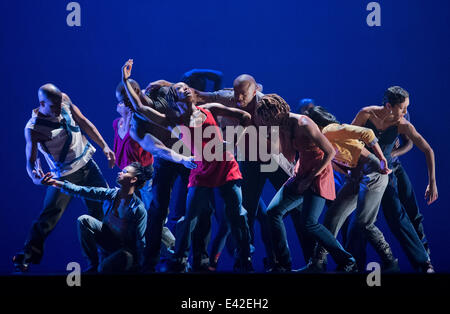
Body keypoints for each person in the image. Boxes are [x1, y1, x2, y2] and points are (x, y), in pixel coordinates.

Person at [121, 59, 253, 272]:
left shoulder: (208, 107)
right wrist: (125, 79)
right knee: (182, 215)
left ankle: (239, 258)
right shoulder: (171, 120)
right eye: (180, 88)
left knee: (234, 214)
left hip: (223, 166)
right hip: (194, 168)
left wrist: (235, 143)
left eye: (186, 87)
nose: (185, 88)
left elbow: (244, 117)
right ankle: (175, 260)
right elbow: (141, 108)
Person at [13, 84, 114, 272]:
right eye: (53, 107)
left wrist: (104, 146)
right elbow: (31, 162)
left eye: (60, 104)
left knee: (104, 209)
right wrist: (37, 178)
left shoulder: (64, 100)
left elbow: (83, 122)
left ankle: (102, 261)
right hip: (64, 176)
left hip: (88, 165)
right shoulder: (33, 127)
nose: (59, 109)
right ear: (42, 103)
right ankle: (25, 256)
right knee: (48, 217)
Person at [255, 94, 357, 272]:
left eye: (270, 119)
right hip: (301, 173)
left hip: (318, 174)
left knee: (309, 223)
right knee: (273, 212)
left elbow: (330, 152)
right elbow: (286, 155)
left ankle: (348, 260)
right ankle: (283, 264)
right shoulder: (281, 127)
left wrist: (310, 179)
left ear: (279, 112)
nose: (269, 123)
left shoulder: (304, 124)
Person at [352, 86, 437, 273]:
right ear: (389, 106)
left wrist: (432, 182)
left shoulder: (402, 124)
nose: (406, 112)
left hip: (386, 172)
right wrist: (353, 169)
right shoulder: (366, 114)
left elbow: (427, 150)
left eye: (407, 107)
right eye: (403, 108)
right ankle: (352, 264)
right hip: (363, 172)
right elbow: (350, 140)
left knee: (397, 216)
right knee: (356, 220)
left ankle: (424, 263)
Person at [303, 106, 398, 272]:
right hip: (356, 176)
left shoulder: (329, 129)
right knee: (333, 215)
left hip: (374, 170)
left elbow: (367, 133)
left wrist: (382, 159)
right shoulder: (321, 142)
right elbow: (341, 159)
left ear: (316, 124)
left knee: (364, 222)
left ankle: (390, 262)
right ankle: (317, 262)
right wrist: (349, 173)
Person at [40, 162, 151, 273]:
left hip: (123, 251)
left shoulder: (138, 209)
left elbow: (140, 240)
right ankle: (93, 264)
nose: (120, 172)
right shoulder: (110, 194)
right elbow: (81, 190)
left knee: (107, 267)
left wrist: (142, 266)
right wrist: (54, 182)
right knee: (84, 220)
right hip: (108, 241)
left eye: (125, 172)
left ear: (133, 180)